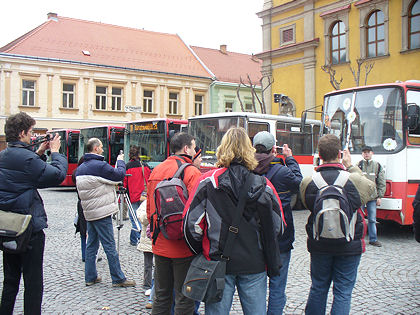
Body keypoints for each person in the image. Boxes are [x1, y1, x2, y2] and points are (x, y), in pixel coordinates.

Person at [184, 127, 284, 315]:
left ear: (222, 148)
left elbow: (191, 224)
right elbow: (278, 227)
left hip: (218, 261)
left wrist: (205, 249)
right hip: (254, 262)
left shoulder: (208, 182)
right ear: (249, 150)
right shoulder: (264, 185)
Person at [0, 112, 68, 315]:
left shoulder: (3, 155)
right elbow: (57, 175)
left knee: (10, 280)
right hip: (29, 228)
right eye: (30, 132)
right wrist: (55, 152)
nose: (31, 136)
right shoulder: (27, 159)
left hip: (8, 226)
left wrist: (38, 151)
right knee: (33, 281)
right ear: (22, 133)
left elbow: (24, 173)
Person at [300, 134, 375, 315]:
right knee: (343, 291)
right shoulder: (354, 180)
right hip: (349, 244)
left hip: (319, 243)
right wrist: (351, 167)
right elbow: (371, 189)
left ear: (319, 154)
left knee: (318, 287)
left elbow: (305, 203)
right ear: (340, 153)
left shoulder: (308, 182)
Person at [146, 132, 201, 315]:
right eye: (193, 147)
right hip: (182, 245)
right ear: (186, 148)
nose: (194, 151)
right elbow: (196, 211)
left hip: (160, 242)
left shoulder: (157, 169)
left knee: (161, 296)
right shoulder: (191, 171)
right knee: (184, 297)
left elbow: (149, 209)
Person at [252, 131, 302, 315]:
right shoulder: (282, 171)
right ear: (274, 149)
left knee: (256, 285)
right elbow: (298, 182)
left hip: (254, 236)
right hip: (280, 236)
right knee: (277, 284)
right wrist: (290, 159)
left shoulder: (247, 168)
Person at [75, 138, 135, 287]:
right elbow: (119, 175)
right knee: (109, 246)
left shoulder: (81, 167)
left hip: (89, 211)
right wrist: (120, 161)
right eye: (101, 147)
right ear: (95, 148)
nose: (102, 149)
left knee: (91, 246)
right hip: (101, 212)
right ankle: (118, 278)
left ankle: (90, 277)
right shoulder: (99, 166)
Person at [357, 146, 386, 247]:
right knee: (359, 219)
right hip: (361, 197)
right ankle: (359, 239)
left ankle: (373, 239)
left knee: (372, 220)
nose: (366, 154)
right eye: (364, 152)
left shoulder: (377, 166)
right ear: (362, 154)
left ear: (372, 153)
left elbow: (381, 182)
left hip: (373, 198)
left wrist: (379, 197)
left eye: (368, 152)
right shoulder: (358, 165)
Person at [124, 145, 151, 246]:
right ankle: (133, 239)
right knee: (142, 217)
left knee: (134, 218)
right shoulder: (145, 166)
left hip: (133, 196)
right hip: (144, 195)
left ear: (129, 155)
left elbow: (124, 183)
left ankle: (138, 237)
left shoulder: (127, 167)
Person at [137, 200, 153, 298]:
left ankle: (156, 284)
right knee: (148, 264)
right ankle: (147, 284)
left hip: (155, 240)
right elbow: (142, 218)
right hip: (147, 241)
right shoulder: (146, 203)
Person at [72, 157, 87, 262]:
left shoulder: (75, 173)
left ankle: (84, 254)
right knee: (90, 231)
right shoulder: (86, 174)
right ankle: (90, 254)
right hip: (88, 203)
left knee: (83, 230)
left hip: (80, 203)